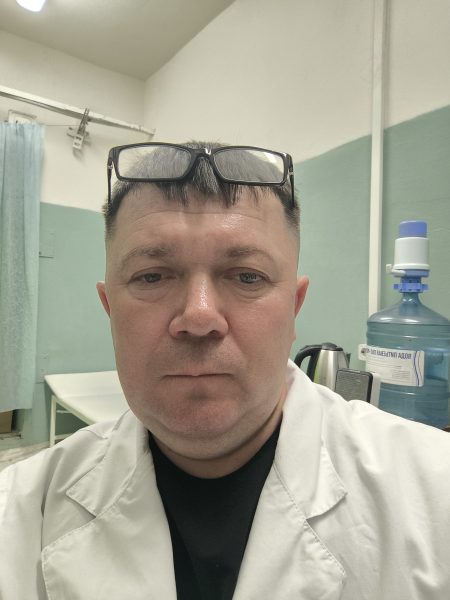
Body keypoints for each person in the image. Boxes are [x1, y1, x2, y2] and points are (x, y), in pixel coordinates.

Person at [1, 141, 450, 600]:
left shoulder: (435, 493)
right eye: (152, 276)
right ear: (110, 308)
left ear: (294, 307)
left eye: (247, 276)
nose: (199, 317)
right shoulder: (18, 512)